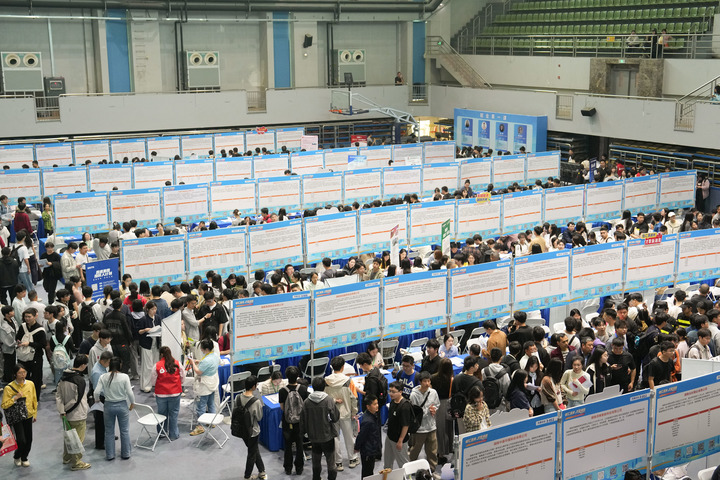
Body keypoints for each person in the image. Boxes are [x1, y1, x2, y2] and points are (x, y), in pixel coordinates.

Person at [95, 356, 135, 461]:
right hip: (122, 405)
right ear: (120, 365)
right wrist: (132, 403)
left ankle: (110, 455)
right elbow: (130, 392)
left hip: (108, 406)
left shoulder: (103, 377)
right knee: (124, 430)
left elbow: (96, 392)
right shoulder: (125, 377)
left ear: (109, 364)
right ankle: (126, 453)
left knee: (109, 431)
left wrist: (97, 400)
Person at [55, 354, 91, 471]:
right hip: (77, 414)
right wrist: (67, 409)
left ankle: (66, 457)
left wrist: (62, 411)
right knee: (78, 439)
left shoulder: (63, 378)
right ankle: (77, 462)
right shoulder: (79, 380)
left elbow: (58, 396)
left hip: (66, 415)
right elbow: (77, 400)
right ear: (83, 365)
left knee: (69, 436)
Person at [302, 376, 340, 480]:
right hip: (327, 435)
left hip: (313, 436)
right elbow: (335, 417)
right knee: (331, 462)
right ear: (324, 387)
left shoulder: (306, 402)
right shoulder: (328, 400)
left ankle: (316, 478)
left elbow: (303, 420)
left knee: (316, 460)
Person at [325, 356, 359, 471]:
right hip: (346, 413)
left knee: (335, 438)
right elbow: (354, 398)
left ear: (332, 367)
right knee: (349, 437)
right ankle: (352, 459)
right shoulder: (348, 381)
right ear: (343, 367)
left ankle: (338, 462)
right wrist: (354, 412)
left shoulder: (326, 381)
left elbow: (325, 397)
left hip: (332, 413)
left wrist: (334, 401)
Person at [2, 363, 37, 467]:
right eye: (20, 373)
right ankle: (17, 456)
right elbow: (4, 405)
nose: (23, 375)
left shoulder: (30, 384)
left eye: (24, 372)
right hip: (17, 417)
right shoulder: (9, 388)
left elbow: (34, 399)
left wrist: (35, 413)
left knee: (29, 439)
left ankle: (24, 457)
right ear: (15, 374)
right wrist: (15, 398)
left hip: (28, 415)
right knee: (21, 440)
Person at [409, 371, 440, 477]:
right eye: (425, 381)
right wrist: (427, 411)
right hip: (419, 428)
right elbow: (415, 412)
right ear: (420, 382)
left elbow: (437, 404)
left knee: (432, 450)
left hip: (431, 426)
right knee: (415, 450)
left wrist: (434, 409)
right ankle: (410, 468)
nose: (427, 383)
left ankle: (432, 469)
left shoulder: (433, 392)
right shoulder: (414, 395)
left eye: (429, 381)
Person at [279, 366, 308, 475]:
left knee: (288, 445)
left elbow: (282, 408)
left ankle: (288, 468)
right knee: (300, 445)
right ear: (298, 376)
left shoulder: (282, 391)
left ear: (286, 376)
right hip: (300, 422)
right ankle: (299, 468)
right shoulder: (303, 389)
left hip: (288, 422)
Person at [151, 346, 184, 440]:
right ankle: (173, 434)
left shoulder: (157, 365)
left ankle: (162, 433)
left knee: (161, 414)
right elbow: (183, 376)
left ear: (161, 354)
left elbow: (153, 380)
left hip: (161, 394)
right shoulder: (177, 363)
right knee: (174, 414)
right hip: (175, 393)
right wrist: (179, 383)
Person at [188, 339, 220, 436]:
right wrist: (199, 361)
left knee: (201, 406)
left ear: (206, 349)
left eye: (202, 348)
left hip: (205, 385)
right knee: (211, 403)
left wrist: (193, 363)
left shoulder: (206, 360)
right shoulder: (215, 355)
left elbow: (198, 372)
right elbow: (207, 364)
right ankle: (212, 421)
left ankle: (200, 427)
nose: (200, 349)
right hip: (213, 383)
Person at [239, 375, 266, 480]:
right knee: (252, 453)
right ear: (254, 386)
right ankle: (247, 476)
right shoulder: (256, 401)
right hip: (253, 431)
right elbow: (259, 417)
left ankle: (262, 471)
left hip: (242, 430)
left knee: (254, 450)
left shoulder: (238, 398)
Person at [384, 380, 412, 469]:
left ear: (400, 392)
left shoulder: (405, 406)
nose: (391, 394)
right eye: (390, 391)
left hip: (399, 440)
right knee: (387, 463)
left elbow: (405, 425)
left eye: (393, 392)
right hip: (390, 437)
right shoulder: (393, 401)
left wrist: (400, 441)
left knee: (404, 464)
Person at [354, 393, 382, 479]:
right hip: (368, 452)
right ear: (368, 406)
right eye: (374, 404)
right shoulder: (368, 421)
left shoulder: (372, 415)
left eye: (377, 403)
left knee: (369, 471)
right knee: (367, 473)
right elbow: (361, 436)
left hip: (372, 449)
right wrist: (357, 447)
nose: (377, 406)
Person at [91, 351, 112, 450]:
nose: (109, 365)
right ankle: (99, 443)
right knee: (100, 421)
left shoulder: (102, 367)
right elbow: (97, 389)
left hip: (103, 396)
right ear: (103, 361)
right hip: (100, 399)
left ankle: (107, 436)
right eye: (109, 362)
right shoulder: (97, 372)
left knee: (105, 420)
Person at [137, 300, 159, 392]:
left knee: (155, 364)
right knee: (147, 366)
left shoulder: (157, 318)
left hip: (156, 344)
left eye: (155, 309)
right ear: (147, 309)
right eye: (152, 309)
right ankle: (145, 385)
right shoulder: (143, 319)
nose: (154, 311)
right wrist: (145, 330)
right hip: (146, 344)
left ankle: (154, 382)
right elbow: (138, 331)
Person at [1, 305, 17, 383]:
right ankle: (8, 379)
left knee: (13, 363)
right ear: (7, 314)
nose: (13, 312)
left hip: (14, 347)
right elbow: (8, 341)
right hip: (8, 348)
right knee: (8, 364)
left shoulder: (12, 320)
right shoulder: (4, 327)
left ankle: (9, 377)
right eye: (12, 311)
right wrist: (16, 343)